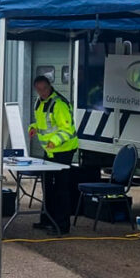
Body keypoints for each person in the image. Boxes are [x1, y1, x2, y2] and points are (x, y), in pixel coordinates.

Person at [28, 75, 79, 234]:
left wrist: (54, 142)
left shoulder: (59, 104)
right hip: (50, 151)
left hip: (63, 150)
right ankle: (47, 220)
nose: (42, 92)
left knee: (61, 188)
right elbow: (43, 123)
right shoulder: (39, 102)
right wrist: (33, 127)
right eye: (38, 89)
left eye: (44, 89)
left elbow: (67, 130)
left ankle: (62, 226)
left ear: (49, 86)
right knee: (47, 186)